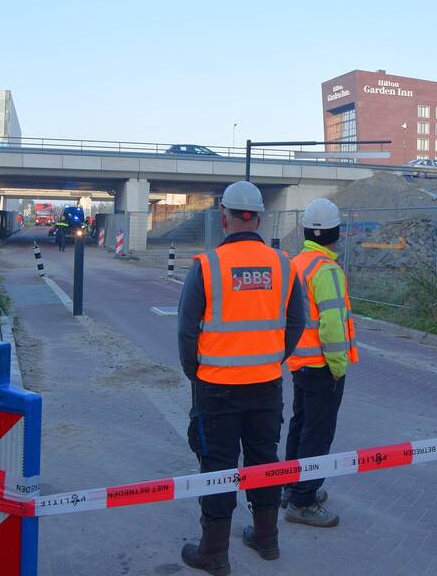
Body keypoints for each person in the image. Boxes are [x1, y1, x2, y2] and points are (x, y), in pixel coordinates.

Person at [177, 180, 305, 575]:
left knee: (217, 466)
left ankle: (214, 553)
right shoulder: (284, 265)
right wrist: (271, 359)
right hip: (266, 385)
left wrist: (195, 375)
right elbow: (296, 323)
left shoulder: (207, 266)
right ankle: (267, 539)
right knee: (264, 460)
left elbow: (186, 332)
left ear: (225, 217)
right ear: (260, 219)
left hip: (216, 388)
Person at [281, 197, 358, 528]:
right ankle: (304, 501)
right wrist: (338, 367)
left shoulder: (295, 264)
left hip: (300, 364)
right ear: (336, 233)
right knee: (318, 433)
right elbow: (331, 325)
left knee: (300, 425)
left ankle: (293, 485)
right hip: (323, 367)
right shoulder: (326, 270)